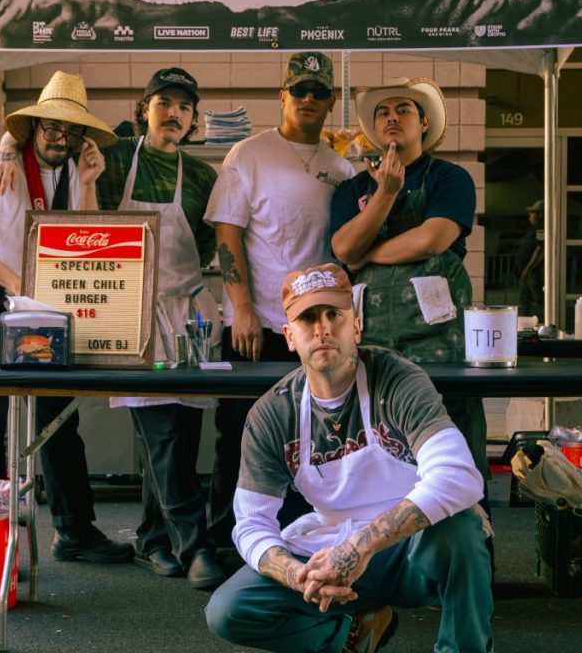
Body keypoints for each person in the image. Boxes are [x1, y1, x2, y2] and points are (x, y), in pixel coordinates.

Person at [0, 68, 225, 589]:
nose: (173, 113)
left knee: (182, 434)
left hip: (187, 312)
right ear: (145, 108)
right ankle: (194, 546)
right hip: (132, 310)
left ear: (193, 119)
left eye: (184, 107)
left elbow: (206, 245)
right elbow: (50, 135)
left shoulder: (202, 176)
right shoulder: (112, 156)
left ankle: (154, 539)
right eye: (163, 102)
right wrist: (5, 146)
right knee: (162, 430)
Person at [204, 263, 493, 653]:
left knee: (461, 525)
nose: (322, 329)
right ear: (289, 337)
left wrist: (360, 547)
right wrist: (297, 575)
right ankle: (352, 635)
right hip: (328, 552)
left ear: (355, 327)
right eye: (308, 318)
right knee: (229, 610)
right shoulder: (273, 413)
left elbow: (458, 476)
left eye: (333, 315)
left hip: (410, 554)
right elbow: (251, 522)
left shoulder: (397, 379)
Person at [0, 71, 133, 564]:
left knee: (58, 418)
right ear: (34, 127)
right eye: (53, 128)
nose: (60, 139)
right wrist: (13, 281)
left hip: (35, 310)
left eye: (72, 131)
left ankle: (75, 531)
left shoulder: (74, 172)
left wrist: (88, 185)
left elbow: (86, 247)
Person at [203, 51, 356, 548]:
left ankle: (295, 542)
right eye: (299, 90)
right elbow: (227, 234)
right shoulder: (248, 154)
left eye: (318, 91)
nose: (308, 98)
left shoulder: (341, 167)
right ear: (282, 97)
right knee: (238, 434)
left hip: (314, 331)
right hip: (259, 325)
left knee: (310, 438)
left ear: (331, 101)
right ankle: (225, 541)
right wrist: (242, 309)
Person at [328, 77, 488, 486]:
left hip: (441, 342)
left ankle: (472, 527)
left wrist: (367, 253)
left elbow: (432, 238)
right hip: (372, 341)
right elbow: (343, 248)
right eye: (383, 112)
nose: (392, 118)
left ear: (424, 123)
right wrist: (385, 193)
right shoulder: (352, 189)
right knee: (381, 454)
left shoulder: (450, 178)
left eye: (404, 110)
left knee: (454, 451)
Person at [515, 199, 544, 318]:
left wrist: (528, 269)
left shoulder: (541, 228)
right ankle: (525, 321)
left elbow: (540, 251)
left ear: (539, 214)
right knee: (524, 298)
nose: (530, 215)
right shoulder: (534, 229)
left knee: (536, 298)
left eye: (532, 212)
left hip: (533, 272)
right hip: (528, 272)